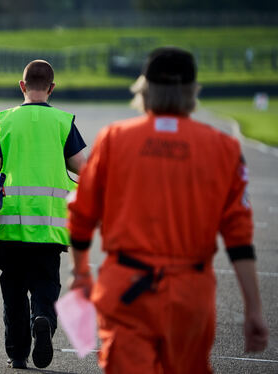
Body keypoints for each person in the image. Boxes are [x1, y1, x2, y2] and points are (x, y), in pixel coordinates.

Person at [67, 47, 268, 373]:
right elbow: (238, 236)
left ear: (143, 89)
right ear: (192, 91)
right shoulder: (223, 147)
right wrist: (254, 308)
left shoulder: (115, 139)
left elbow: (81, 215)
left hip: (127, 288)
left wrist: (81, 273)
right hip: (191, 295)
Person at [0, 59, 87, 369]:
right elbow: (85, 170)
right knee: (46, 282)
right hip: (50, 227)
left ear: (22, 86)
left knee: (13, 290)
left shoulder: (5, 121)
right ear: (52, 88)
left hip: (10, 227)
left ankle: (19, 353)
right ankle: (43, 319)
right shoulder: (64, 123)